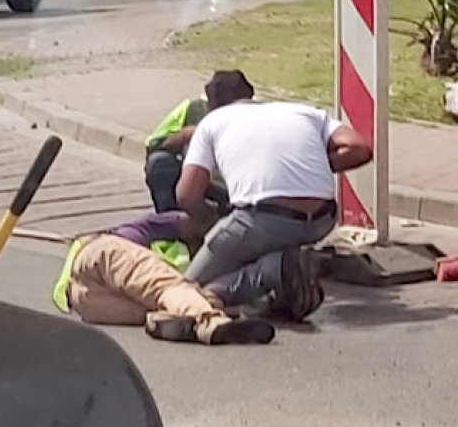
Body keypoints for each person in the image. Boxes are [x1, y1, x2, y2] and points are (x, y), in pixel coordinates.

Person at [175, 75, 373, 318]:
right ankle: (284, 280)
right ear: (251, 95)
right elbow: (359, 148)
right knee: (254, 238)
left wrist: (211, 223)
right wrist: (313, 168)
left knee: (186, 294)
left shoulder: (211, 122)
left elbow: (186, 195)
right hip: (322, 218)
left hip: (263, 219)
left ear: (212, 104)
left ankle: (273, 270)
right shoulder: (303, 112)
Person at [51, 210, 275, 345]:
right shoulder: (154, 226)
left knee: (165, 303)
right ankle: (212, 324)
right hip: (102, 254)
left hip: (86, 304)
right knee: (168, 288)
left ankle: (169, 325)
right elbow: (191, 222)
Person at [142, 69, 253, 214]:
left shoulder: (259, 116)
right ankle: (172, 222)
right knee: (159, 162)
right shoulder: (191, 109)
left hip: (244, 188)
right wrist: (184, 135)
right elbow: (154, 145)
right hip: (201, 180)